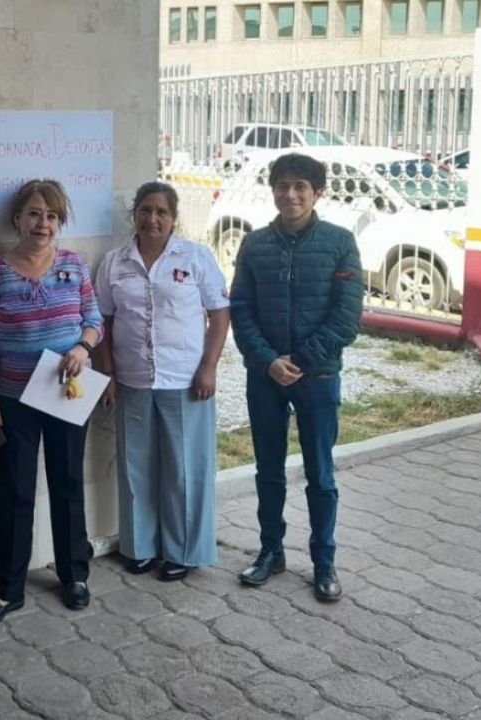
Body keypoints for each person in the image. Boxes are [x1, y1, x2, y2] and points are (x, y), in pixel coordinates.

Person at [0, 179, 103, 626]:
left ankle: (74, 576)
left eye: (52, 216)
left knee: (67, 485)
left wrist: (83, 349)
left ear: (60, 222)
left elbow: (94, 320)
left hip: (65, 391)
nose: (43, 223)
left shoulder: (74, 265)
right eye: (34, 214)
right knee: (16, 491)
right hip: (12, 397)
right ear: (18, 219)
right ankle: (8, 589)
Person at [229, 153, 363, 602]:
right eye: (283, 186)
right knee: (268, 469)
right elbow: (241, 309)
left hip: (318, 376)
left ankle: (324, 562)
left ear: (317, 193)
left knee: (320, 473)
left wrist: (300, 360)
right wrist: (268, 361)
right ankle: (271, 551)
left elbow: (346, 318)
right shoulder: (255, 245)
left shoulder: (340, 242)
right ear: (273, 191)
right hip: (264, 376)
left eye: (300, 187)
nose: (290, 195)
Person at [94, 182, 230, 582]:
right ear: (133, 214)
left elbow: (219, 314)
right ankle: (139, 547)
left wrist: (209, 367)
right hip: (133, 378)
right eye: (145, 210)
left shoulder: (195, 257)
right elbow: (103, 319)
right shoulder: (115, 262)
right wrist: (108, 374)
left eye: (161, 212)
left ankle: (183, 550)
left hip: (185, 381)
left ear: (173, 218)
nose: (152, 219)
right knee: (136, 466)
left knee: (184, 469)